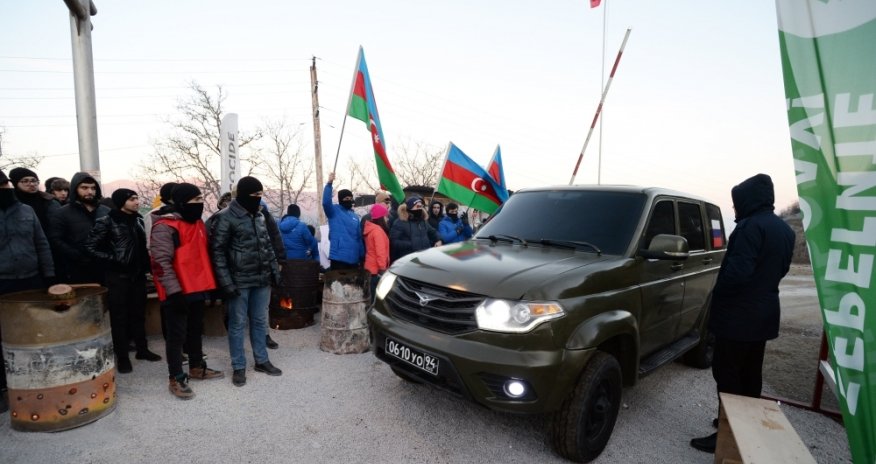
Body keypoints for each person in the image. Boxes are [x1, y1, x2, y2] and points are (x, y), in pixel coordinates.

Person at [689, 174, 795, 454]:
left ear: (748, 200)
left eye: (736, 204)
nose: (734, 210)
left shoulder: (750, 227)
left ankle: (727, 433)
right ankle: (743, 423)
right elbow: (781, 269)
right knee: (750, 374)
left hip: (738, 318)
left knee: (727, 374)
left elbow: (737, 273)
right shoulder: (784, 230)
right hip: (763, 315)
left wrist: (717, 296)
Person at [150, 183, 224, 399]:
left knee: (194, 331)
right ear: (182, 202)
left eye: (201, 199)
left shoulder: (198, 223)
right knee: (176, 336)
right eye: (195, 200)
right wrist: (174, 292)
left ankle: (196, 366)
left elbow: (201, 257)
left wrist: (211, 287)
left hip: (198, 287)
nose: (200, 203)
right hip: (177, 291)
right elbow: (161, 263)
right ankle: (176, 377)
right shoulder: (166, 226)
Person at [209, 176, 282, 387]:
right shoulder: (225, 217)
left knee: (260, 321)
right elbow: (218, 253)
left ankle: (262, 360)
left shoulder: (259, 215)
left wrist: (274, 272)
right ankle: (238, 366)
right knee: (237, 324)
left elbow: (267, 245)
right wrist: (226, 283)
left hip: (261, 279)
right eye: (254, 195)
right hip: (238, 280)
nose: (258, 199)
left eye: (261, 195)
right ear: (242, 195)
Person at [83, 188, 161, 374]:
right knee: (119, 318)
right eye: (132, 199)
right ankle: (123, 356)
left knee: (138, 315)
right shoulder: (106, 221)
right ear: (121, 202)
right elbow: (89, 247)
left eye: (137, 198)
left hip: (137, 277)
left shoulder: (138, 220)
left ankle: (142, 350)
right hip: (117, 277)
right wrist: (114, 260)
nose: (136, 202)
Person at [0, 169, 56, 414]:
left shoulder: (26, 210)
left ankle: (38, 379)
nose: (5, 190)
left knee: (34, 331)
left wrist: (49, 275)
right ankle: (4, 387)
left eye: (5, 185)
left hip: (31, 278)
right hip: (2, 280)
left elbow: (41, 243)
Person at [48, 172, 111, 284]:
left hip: (106, 268)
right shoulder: (62, 213)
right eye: (84, 188)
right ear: (75, 189)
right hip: (77, 270)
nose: (90, 191)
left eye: (93, 188)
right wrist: (77, 256)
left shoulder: (106, 211)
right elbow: (55, 240)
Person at [321, 172, 364, 270]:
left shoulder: (355, 216)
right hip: (339, 257)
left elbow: (358, 237)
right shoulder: (334, 211)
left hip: (354, 258)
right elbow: (326, 202)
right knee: (337, 285)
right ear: (341, 199)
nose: (349, 200)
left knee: (352, 285)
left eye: (351, 198)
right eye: (346, 198)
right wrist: (329, 184)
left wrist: (362, 255)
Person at [9, 167, 60, 237]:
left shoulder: (50, 202)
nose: (32, 184)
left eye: (34, 181)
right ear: (15, 183)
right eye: (25, 181)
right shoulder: (9, 203)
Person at [389, 196, 441, 262]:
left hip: (425, 257)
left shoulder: (423, 221)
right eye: (417, 206)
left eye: (421, 206)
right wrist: (411, 244)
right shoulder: (400, 222)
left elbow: (433, 232)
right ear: (410, 208)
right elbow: (394, 241)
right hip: (408, 259)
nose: (420, 209)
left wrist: (439, 239)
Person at [363, 203, 390, 302]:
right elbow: (380, 252)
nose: (387, 219)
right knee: (376, 300)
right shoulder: (378, 231)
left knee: (370, 297)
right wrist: (382, 269)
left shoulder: (371, 229)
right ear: (381, 217)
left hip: (370, 267)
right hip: (376, 270)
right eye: (386, 216)